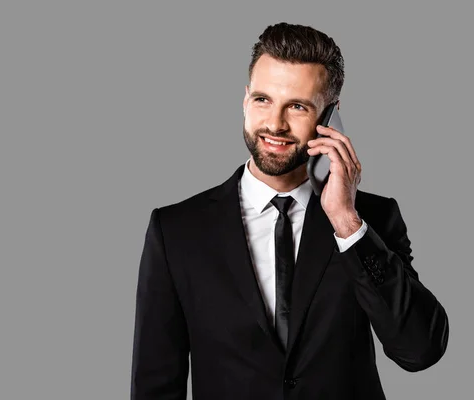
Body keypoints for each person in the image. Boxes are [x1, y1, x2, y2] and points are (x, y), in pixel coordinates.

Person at [131, 22, 449, 400]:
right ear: (245, 100)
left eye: (297, 106)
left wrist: (347, 223)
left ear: (330, 117)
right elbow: (155, 385)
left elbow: (419, 350)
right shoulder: (176, 230)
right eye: (263, 100)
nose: (275, 124)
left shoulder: (371, 220)